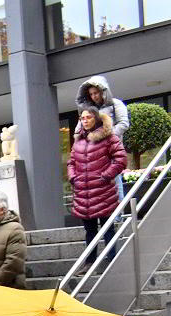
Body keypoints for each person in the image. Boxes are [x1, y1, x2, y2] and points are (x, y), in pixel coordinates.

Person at [68, 109, 128, 246]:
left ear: (96, 118)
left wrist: (106, 176)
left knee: (108, 230)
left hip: (104, 192)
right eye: (82, 118)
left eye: (88, 117)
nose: (85, 120)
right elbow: (71, 162)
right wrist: (73, 178)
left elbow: (121, 159)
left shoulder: (109, 138)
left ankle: (112, 260)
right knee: (90, 231)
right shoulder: (78, 141)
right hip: (83, 194)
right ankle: (90, 263)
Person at [75, 75, 129, 139]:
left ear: (102, 92)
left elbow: (123, 124)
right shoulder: (87, 110)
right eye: (91, 94)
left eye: (96, 93)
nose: (94, 96)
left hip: (111, 146)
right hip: (92, 146)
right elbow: (79, 131)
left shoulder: (116, 103)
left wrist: (105, 137)